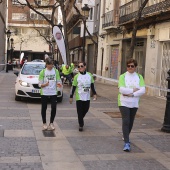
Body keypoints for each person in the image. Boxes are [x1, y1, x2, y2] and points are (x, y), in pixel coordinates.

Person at [118, 58, 145, 152]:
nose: (130, 67)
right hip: (123, 102)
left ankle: (126, 135)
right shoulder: (122, 76)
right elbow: (121, 89)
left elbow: (143, 90)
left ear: (135, 67)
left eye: (132, 66)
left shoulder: (139, 77)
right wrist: (133, 90)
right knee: (126, 120)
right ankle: (127, 142)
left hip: (134, 102)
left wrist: (132, 94)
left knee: (131, 121)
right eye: (128, 66)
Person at [69, 61, 97, 131]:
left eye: (81, 66)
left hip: (87, 96)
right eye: (78, 66)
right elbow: (74, 87)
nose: (80, 68)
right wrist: (71, 96)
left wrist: (94, 94)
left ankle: (80, 118)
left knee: (86, 109)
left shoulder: (89, 75)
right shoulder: (76, 77)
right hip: (79, 96)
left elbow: (92, 85)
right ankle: (81, 124)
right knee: (79, 111)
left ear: (85, 67)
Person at [38, 58, 62, 130]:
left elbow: (58, 80)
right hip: (44, 92)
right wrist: (45, 84)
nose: (50, 66)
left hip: (53, 92)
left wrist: (59, 84)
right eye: (49, 65)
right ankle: (44, 123)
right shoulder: (43, 72)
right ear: (46, 64)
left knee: (54, 107)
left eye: (52, 64)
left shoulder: (56, 71)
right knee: (44, 107)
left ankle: (51, 122)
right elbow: (39, 84)